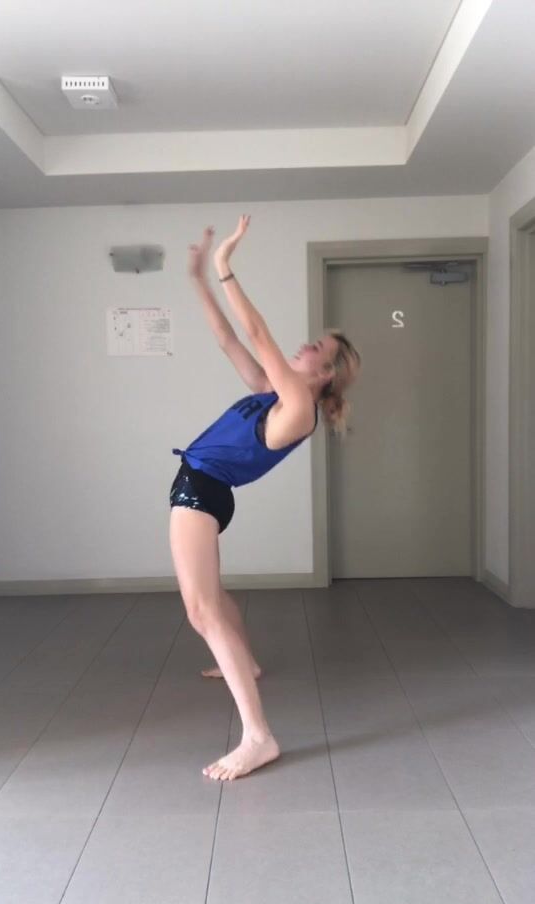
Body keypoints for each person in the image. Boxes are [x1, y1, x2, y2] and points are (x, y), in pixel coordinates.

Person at [169, 215, 361, 781]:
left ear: (325, 375)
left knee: (200, 610)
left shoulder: (297, 409)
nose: (304, 346)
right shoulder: (273, 393)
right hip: (205, 487)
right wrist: (199, 280)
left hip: (202, 490)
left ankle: (258, 736)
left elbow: (256, 334)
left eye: (316, 349)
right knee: (211, 598)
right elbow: (230, 340)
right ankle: (246, 663)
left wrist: (226, 267)